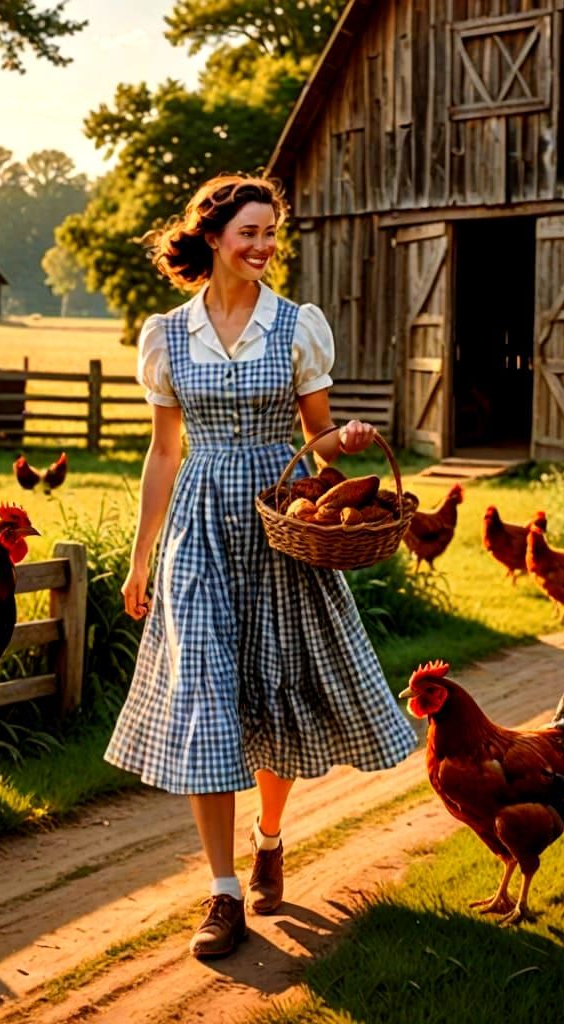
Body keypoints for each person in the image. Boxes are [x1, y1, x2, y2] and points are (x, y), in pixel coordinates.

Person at [104, 173, 416, 959]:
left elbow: (316, 440)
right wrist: (140, 562)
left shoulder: (295, 326)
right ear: (212, 237)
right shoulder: (167, 335)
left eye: (271, 233)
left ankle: (269, 836)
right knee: (206, 694)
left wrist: (340, 442)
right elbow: (165, 451)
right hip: (200, 528)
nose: (263, 247)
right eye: (248, 233)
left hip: (283, 522)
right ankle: (221, 893)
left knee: (275, 693)